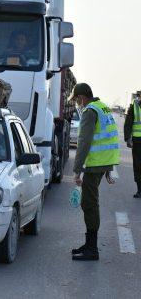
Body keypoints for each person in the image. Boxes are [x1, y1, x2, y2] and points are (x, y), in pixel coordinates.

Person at [70, 83, 120, 261]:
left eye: (76, 99)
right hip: (102, 162)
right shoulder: (103, 107)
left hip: (96, 164)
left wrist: (76, 170)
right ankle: (89, 245)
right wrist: (109, 168)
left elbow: (84, 142)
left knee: (89, 204)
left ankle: (92, 249)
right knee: (89, 202)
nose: (77, 103)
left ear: (82, 97)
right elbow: (110, 136)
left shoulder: (90, 111)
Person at [124, 95, 141, 198]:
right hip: (137, 141)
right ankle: (139, 190)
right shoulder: (134, 106)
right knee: (138, 166)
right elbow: (128, 123)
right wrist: (128, 138)